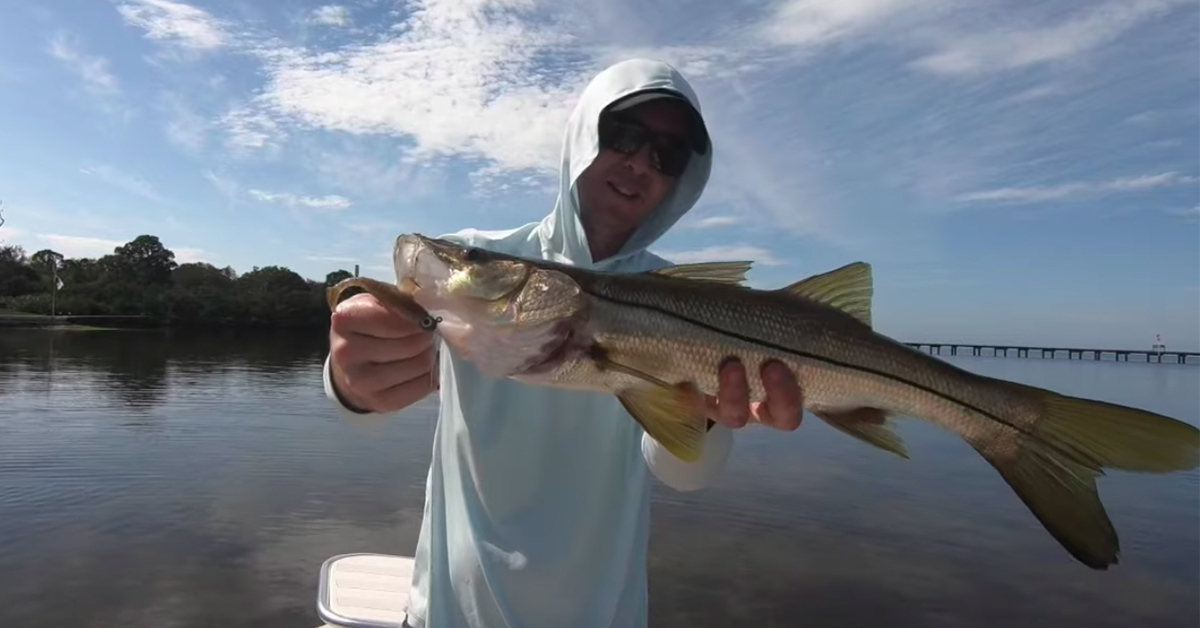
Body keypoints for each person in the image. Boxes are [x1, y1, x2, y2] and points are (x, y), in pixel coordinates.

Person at [323, 58, 805, 628]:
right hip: (452, 612)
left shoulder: (689, 301)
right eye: (623, 134)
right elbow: (370, 401)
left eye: (668, 154)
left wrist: (707, 415)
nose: (639, 162)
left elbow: (685, 474)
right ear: (583, 135)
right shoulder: (477, 264)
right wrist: (349, 381)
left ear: (683, 179)